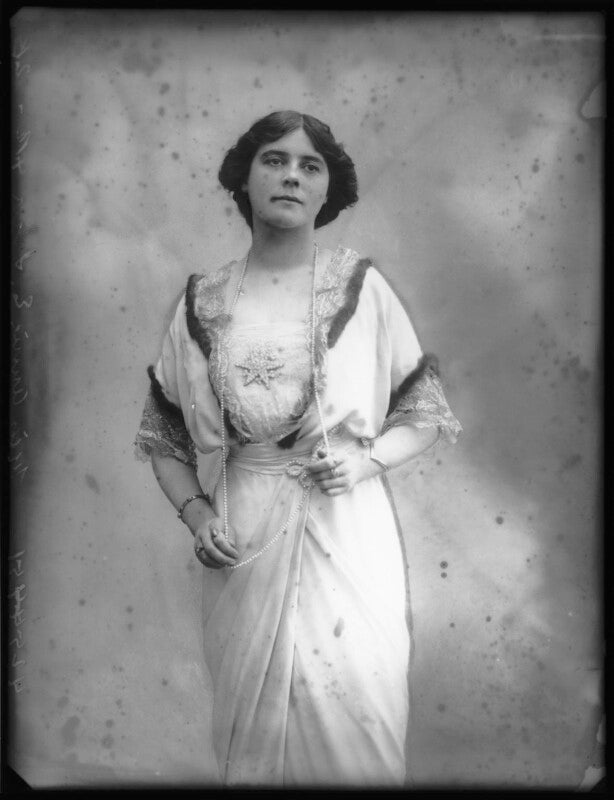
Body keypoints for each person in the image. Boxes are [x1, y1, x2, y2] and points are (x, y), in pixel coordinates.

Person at [134, 110, 462, 787]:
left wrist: (366, 461)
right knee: (255, 743)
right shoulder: (201, 300)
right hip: (243, 535)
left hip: (345, 526)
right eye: (274, 160)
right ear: (244, 179)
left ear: (326, 189)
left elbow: (424, 414)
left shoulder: (361, 288)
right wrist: (198, 515)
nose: (291, 176)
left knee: (355, 720)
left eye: (309, 166)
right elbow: (163, 436)